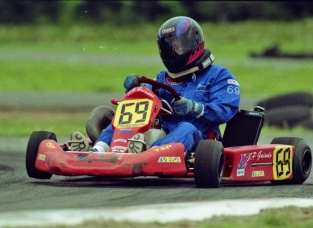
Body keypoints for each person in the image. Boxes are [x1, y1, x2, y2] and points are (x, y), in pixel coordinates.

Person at [70, 16, 240, 153]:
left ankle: (150, 153)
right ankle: (98, 150)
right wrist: (136, 89)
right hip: (161, 131)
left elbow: (226, 110)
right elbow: (147, 99)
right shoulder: (163, 77)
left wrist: (195, 108)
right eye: (168, 47)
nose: (173, 51)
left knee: (187, 128)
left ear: (194, 44)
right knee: (121, 120)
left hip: (199, 138)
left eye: (177, 46)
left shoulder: (219, 76)